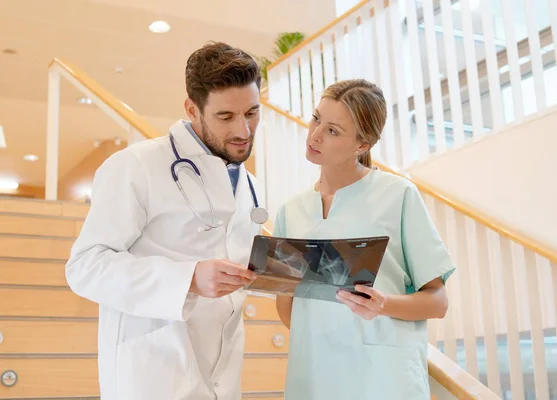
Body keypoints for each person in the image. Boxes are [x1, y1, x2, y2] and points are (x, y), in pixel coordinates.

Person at [65, 42, 266, 400]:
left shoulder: (247, 182)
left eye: (252, 113)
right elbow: (84, 267)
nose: (244, 131)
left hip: (221, 369)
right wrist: (187, 278)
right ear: (192, 108)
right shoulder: (135, 166)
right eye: (226, 117)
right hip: (153, 370)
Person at [274, 79, 455, 400]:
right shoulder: (291, 212)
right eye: (316, 119)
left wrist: (383, 305)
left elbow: (437, 301)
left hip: (382, 378)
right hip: (314, 378)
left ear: (363, 144)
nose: (315, 135)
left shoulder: (397, 196)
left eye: (333, 131)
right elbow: (287, 305)